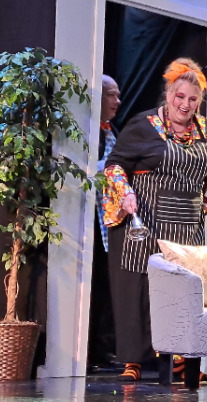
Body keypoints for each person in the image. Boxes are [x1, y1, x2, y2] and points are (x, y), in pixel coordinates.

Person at [101, 58, 207, 382]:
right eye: (180, 96)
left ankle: (182, 360)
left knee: (183, 291)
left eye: (193, 99)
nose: (185, 104)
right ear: (168, 93)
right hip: (146, 221)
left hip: (187, 225)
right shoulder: (144, 124)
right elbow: (114, 165)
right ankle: (134, 362)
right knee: (139, 289)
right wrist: (124, 192)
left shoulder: (203, 128)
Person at [87, 75, 121, 367]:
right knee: (93, 286)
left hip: (111, 220)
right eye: (112, 95)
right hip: (89, 221)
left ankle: (104, 348)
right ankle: (88, 350)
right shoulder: (87, 133)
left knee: (108, 288)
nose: (117, 101)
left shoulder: (112, 132)